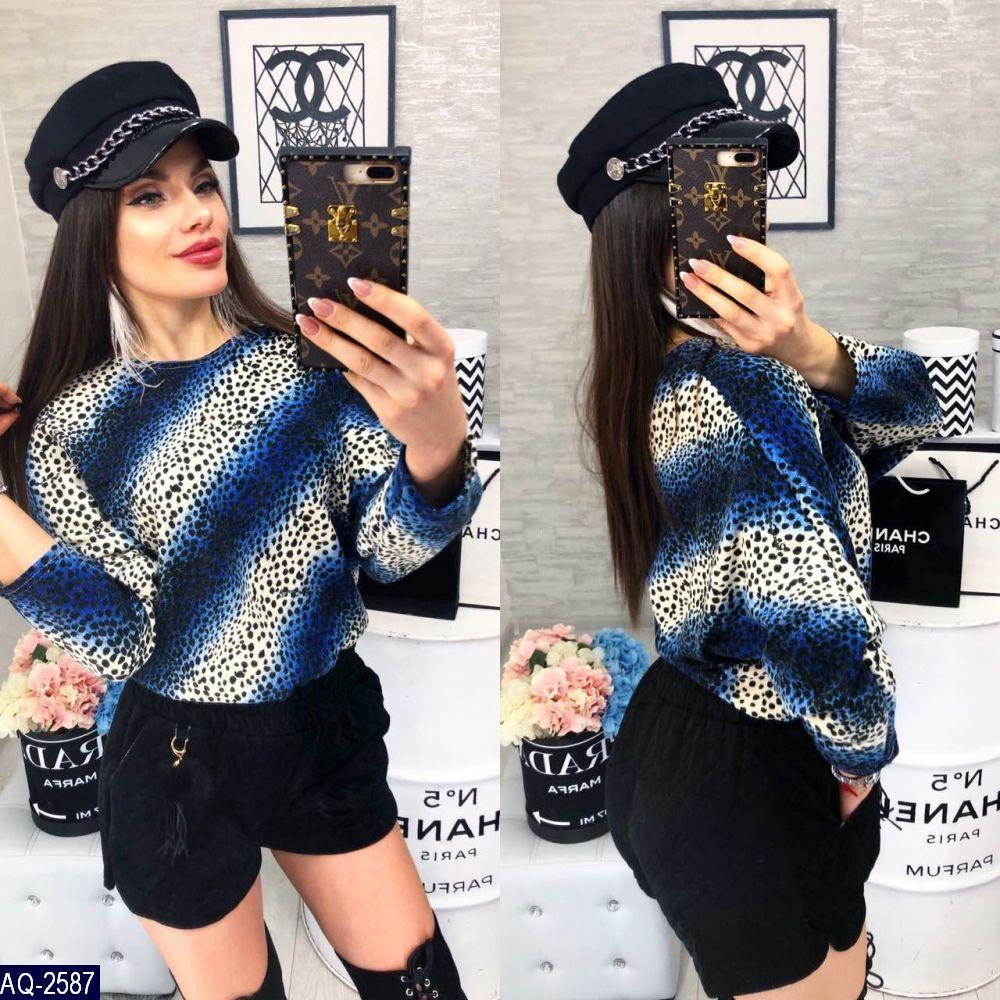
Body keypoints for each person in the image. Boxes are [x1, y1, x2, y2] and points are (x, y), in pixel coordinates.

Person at [0, 60, 482, 1000]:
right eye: (150, 195)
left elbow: (389, 553)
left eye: (203, 184)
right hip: (180, 767)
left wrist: (435, 443)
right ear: (94, 231)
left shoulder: (309, 367)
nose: (197, 215)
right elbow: (119, 638)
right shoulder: (72, 426)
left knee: (424, 988)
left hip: (324, 728)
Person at [556, 63, 944, 1000]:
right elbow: (811, 614)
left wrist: (810, 348)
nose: (741, 215)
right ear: (652, 222)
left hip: (683, 745)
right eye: (712, 188)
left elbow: (916, 410)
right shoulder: (737, 386)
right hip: (753, 770)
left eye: (748, 182)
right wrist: (859, 755)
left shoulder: (658, 372)